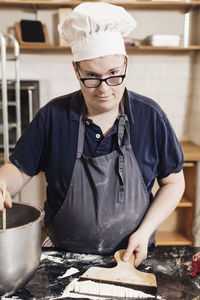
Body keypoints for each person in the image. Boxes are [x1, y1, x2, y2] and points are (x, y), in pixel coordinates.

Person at [0, 2, 184, 267]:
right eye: (91, 77)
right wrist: (2, 183)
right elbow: (18, 170)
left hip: (131, 257)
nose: (104, 89)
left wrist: (144, 232)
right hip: (60, 259)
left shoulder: (150, 117)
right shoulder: (53, 116)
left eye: (113, 75)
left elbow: (174, 183)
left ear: (125, 64)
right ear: (76, 69)